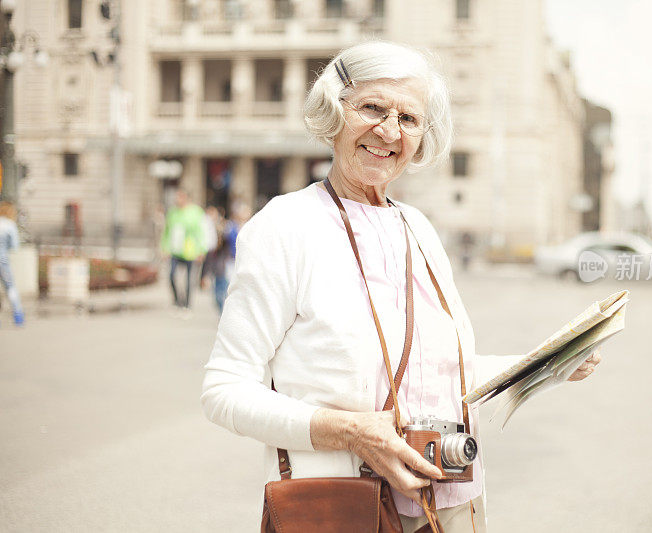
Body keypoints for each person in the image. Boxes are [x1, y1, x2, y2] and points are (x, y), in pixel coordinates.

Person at [201, 41, 601, 532]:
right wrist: (349, 432)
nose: (389, 132)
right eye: (372, 108)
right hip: (345, 507)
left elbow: (444, 374)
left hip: (449, 503)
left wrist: (549, 362)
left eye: (408, 119)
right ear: (333, 111)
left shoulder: (418, 228)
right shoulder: (287, 225)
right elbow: (224, 390)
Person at [161, 188, 207, 314]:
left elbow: (201, 232)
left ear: (186, 198)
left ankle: (187, 304)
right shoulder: (172, 212)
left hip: (190, 251)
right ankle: (177, 300)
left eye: (180, 197)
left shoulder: (196, 212)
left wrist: (202, 250)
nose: (177, 199)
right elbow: (167, 231)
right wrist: (164, 248)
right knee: (171, 275)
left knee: (188, 280)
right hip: (175, 250)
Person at [0, 202, 25, 327]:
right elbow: (15, 246)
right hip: (3, 261)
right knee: (10, 287)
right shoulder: (10, 225)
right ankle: (18, 315)